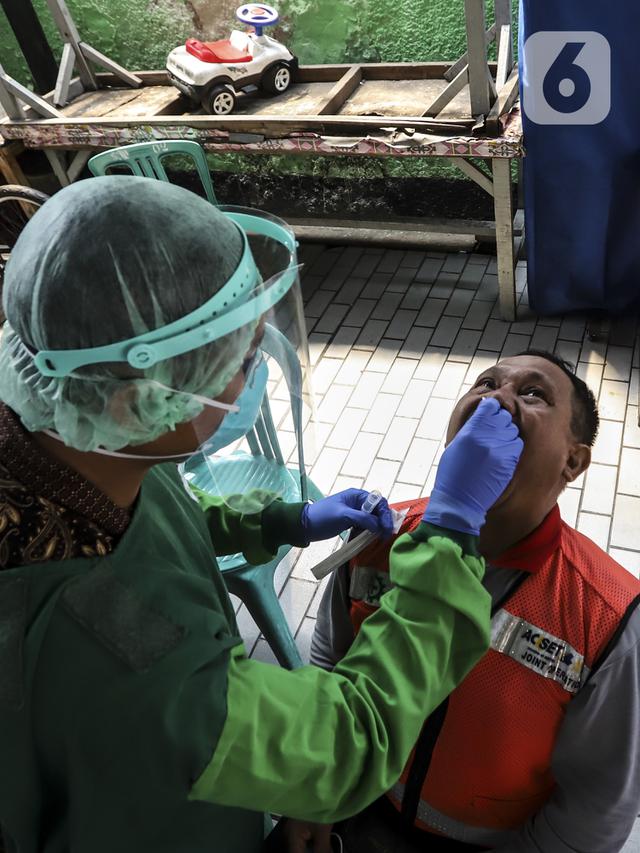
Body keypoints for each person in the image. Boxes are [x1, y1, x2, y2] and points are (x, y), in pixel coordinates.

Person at [0, 175, 524, 853]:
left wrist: (286, 520)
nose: (256, 374)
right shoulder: (124, 656)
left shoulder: (68, 446)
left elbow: (159, 524)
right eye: (241, 359)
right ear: (135, 401)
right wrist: (451, 526)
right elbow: (345, 742)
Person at [308, 350, 640, 853]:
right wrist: (310, 797)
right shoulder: (380, 535)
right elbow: (327, 666)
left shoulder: (607, 615)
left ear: (573, 460)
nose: (497, 397)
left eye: (533, 394)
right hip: (351, 808)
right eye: (485, 382)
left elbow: (595, 809)